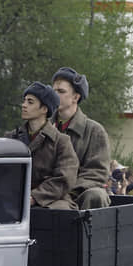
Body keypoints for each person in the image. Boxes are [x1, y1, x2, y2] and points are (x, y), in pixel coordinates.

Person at [5, 82, 79, 209]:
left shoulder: (61, 142)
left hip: (49, 200)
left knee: (57, 213)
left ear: (44, 109)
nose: (24, 105)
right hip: (14, 197)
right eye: (24, 101)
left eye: (30, 102)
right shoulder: (12, 138)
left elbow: (64, 178)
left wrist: (34, 197)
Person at [51, 67, 110, 209]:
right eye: (53, 91)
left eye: (61, 91)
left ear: (75, 97)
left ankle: (89, 232)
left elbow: (96, 173)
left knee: (96, 195)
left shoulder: (94, 131)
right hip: (47, 192)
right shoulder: (43, 127)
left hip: (78, 193)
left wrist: (65, 190)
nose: (54, 95)